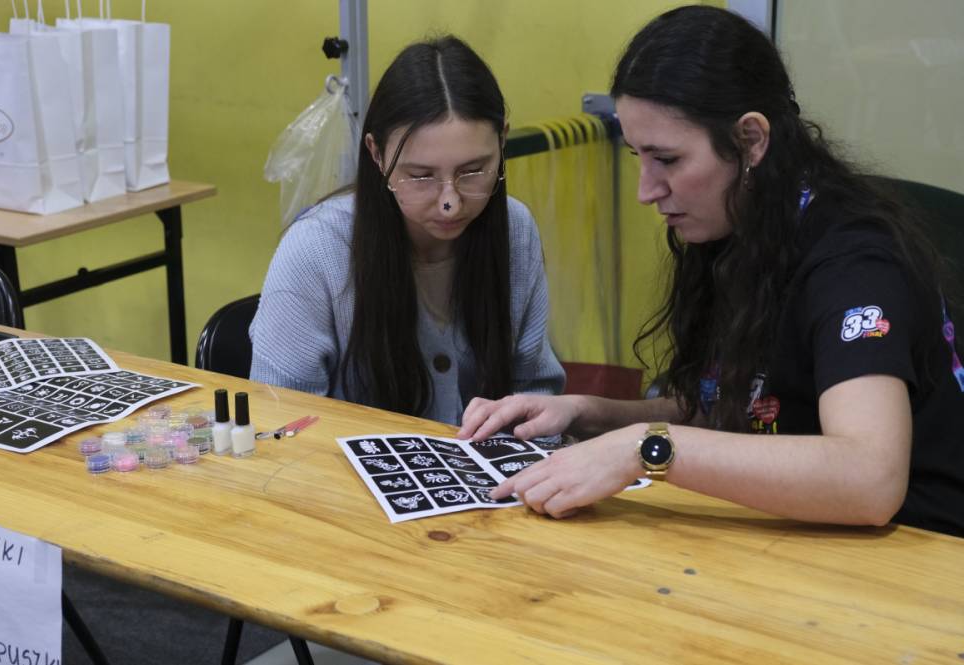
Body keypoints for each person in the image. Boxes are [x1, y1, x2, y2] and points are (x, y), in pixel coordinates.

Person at [458, 5, 964, 537]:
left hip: (920, 554)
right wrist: (587, 412)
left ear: (751, 140)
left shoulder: (855, 263)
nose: (646, 190)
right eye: (637, 156)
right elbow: (737, 409)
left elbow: (869, 480)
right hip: (805, 534)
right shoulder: (741, 224)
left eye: (667, 160)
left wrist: (645, 448)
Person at [250, 36, 564, 426]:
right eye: (420, 176)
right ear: (377, 154)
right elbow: (282, 423)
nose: (450, 202)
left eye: (472, 171)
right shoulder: (315, 249)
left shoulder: (516, 231)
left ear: (502, 141)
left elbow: (534, 393)